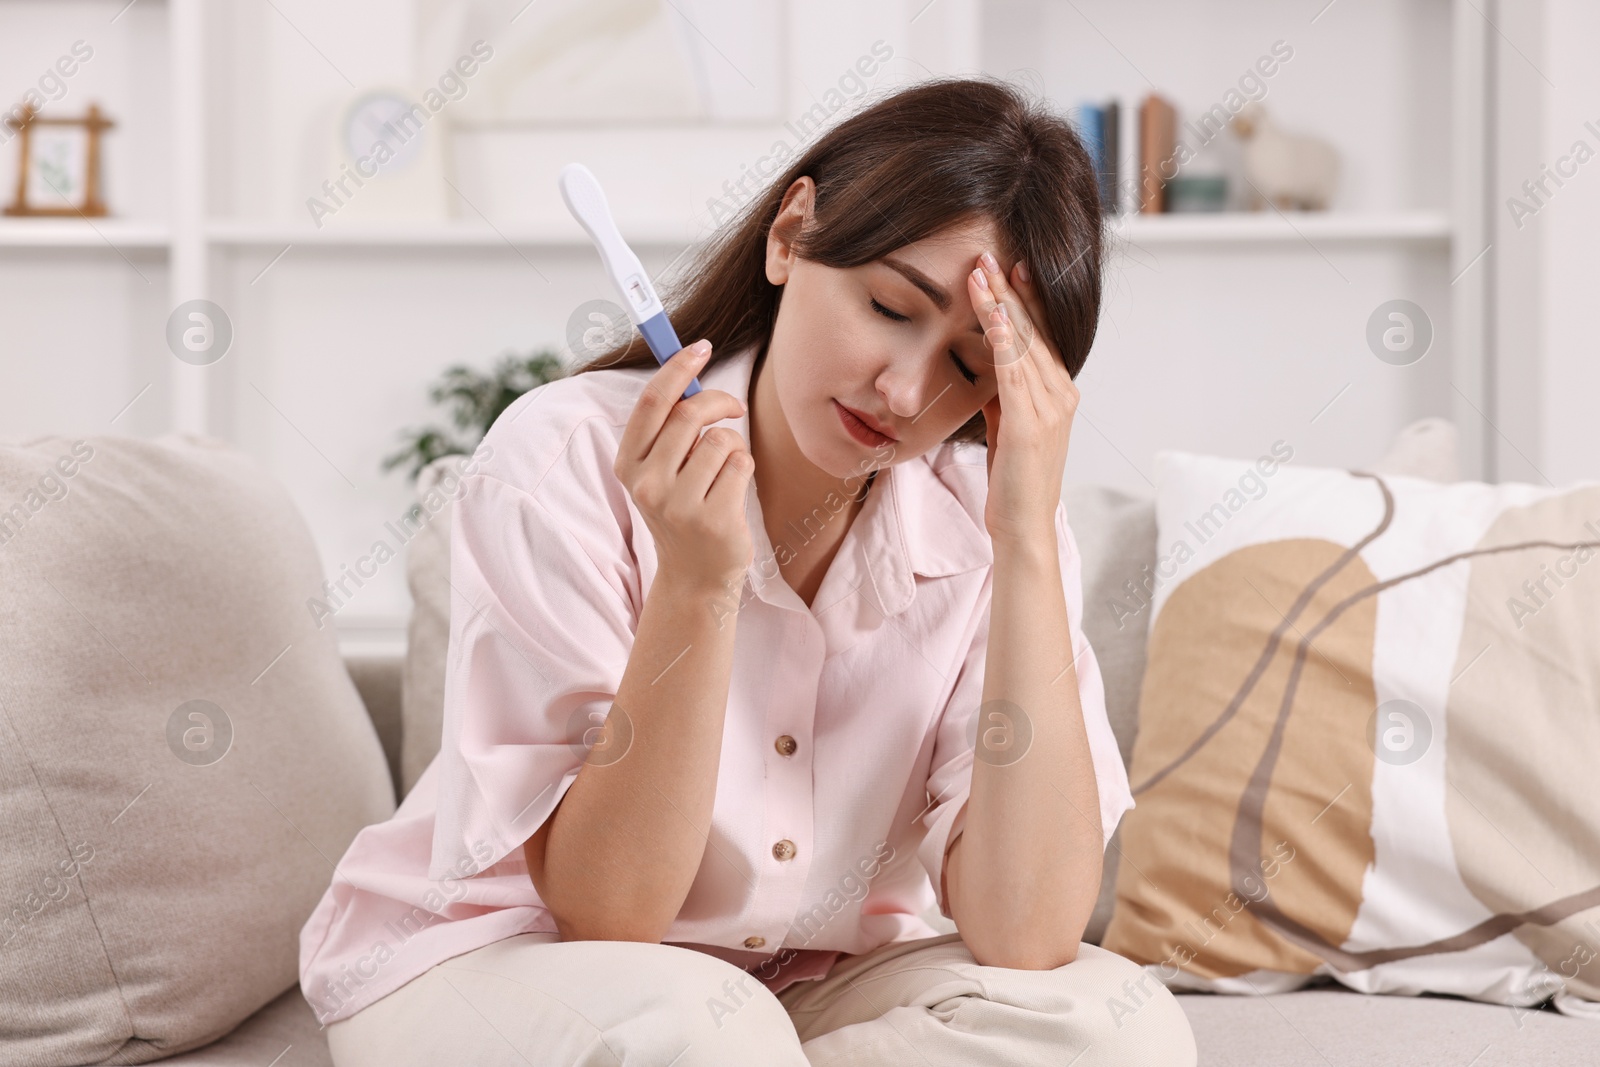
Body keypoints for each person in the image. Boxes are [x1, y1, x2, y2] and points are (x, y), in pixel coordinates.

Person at [301, 74, 1197, 1066]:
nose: (904, 391)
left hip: (799, 992)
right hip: (504, 960)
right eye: (892, 306)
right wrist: (696, 581)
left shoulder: (992, 526)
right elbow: (606, 907)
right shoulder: (559, 460)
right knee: (683, 1030)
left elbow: (1026, 937)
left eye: (969, 370)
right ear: (791, 234)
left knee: (1117, 1026)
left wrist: (1025, 540)